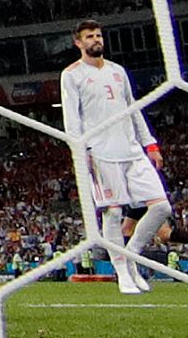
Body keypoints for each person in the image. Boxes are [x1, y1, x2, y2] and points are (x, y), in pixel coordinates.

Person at [59, 19, 170, 295]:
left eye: (98, 35)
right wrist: (80, 150)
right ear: (78, 42)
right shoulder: (72, 75)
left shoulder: (118, 72)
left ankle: (130, 257)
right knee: (113, 213)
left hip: (131, 150)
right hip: (100, 152)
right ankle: (122, 274)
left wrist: (150, 144)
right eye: (89, 36)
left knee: (161, 207)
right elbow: (72, 119)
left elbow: (133, 109)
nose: (96, 39)